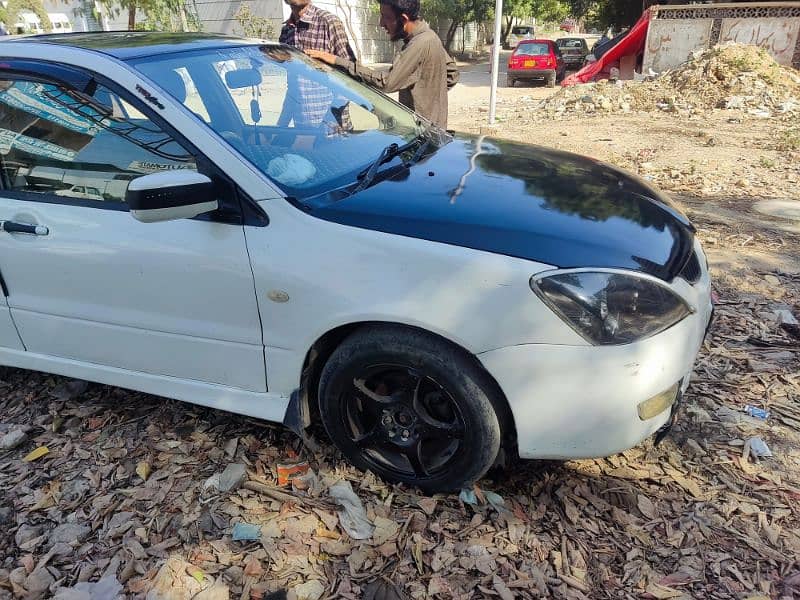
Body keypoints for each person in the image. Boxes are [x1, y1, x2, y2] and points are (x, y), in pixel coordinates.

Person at [305, 0, 459, 129]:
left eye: (386, 17)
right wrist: (429, 93)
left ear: (404, 19)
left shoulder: (419, 44)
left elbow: (386, 82)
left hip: (423, 133)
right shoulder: (429, 36)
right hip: (433, 129)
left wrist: (336, 60)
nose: (381, 23)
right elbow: (452, 73)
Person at [278, 0, 356, 128]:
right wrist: (280, 127)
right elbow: (293, 86)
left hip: (333, 130)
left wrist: (327, 125)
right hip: (302, 129)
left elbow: (350, 77)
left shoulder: (329, 22)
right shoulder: (286, 31)